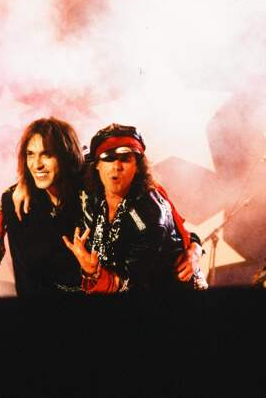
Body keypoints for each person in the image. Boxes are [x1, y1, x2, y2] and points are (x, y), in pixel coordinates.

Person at [62, 123, 204, 293]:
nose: (116, 166)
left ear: (137, 166)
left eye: (125, 159)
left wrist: (93, 272)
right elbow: (52, 167)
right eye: (108, 158)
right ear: (96, 164)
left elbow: (131, 285)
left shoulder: (149, 217)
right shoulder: (88, 178)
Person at [0, 117, 85, 297]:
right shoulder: (16, 202)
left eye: (47, 154)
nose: (37, 164)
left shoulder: (89, 192)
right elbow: (26, 278)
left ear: (66, 156)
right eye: (30, 154)